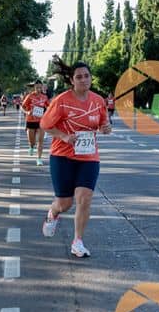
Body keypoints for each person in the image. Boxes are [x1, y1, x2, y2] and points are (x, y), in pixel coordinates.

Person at [40, 58, 111, 258]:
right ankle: (53, 213)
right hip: (62, 156)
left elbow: (103, 124)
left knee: (84, 198)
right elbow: (45, 124)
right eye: (79, 77)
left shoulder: (98, 101)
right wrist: (64, 137)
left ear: (91, 78)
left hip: (88, 156)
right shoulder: (62, 100)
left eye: (86, 76)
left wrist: (105, 128)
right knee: (65, 203)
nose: (83, 80)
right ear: (72, 80)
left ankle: (77, 242)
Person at [21, 80, 49, 166]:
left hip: (41, 121)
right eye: (37, 88)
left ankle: (39, 159)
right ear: (34, 87)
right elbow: (22, 107)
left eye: (40, 87)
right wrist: (27, 112)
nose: (39, 89)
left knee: (40, 141)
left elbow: (49, 107)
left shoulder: (44, 97)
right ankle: (31, 146)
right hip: (30, 121)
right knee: (32, 141)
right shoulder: (30, 96)